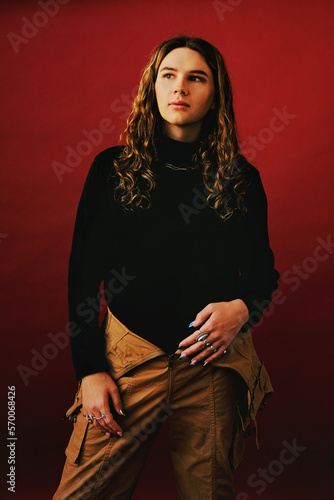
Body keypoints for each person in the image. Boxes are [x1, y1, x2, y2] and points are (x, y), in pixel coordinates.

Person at [53, 35, 279, 500]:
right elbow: (81, 278)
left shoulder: (241, 179)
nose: (181, 87)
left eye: (197, 78)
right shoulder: (111, 170)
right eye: (168, 76)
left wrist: (242, 309)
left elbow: (262, 277)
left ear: (215, 94)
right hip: (129, 357)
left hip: (211, 362)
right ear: (151, 88)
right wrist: (89, 370)